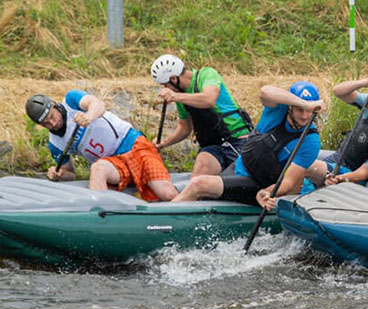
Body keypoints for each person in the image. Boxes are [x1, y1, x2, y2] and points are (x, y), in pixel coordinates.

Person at [172, 81, 325, 210]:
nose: (305, 116)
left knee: (199, 184)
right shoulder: (276, 111)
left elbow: (288, 182)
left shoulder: (310, 141)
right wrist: (307, 104)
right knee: (203, 196)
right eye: (300, 109)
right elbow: (266, 91)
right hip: (239, 168)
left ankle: (163, 218)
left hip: (259, 185)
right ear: (290, 106)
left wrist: (267, 192)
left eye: (309, 112)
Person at [25, 91, 177, 201]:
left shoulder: (71, 101)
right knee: (97, 168)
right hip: (114, 165)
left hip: (133, 145)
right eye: (45, 123)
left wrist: (88, 117)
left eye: (52, 117)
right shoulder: (55, 144)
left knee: (166, 194)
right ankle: (101, 219)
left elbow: (98, 104)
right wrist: (60, 175)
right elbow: (71, 174)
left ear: (55, 106)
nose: (52, 123)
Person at [150, 54, 254, 177]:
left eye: (165, 85)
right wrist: (164, 142)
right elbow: (184, 128)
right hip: (214, 146)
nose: (166, 88)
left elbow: (209, 99)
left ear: (174, 78)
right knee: (200, 172)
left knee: (232, 183)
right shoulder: (181, 96)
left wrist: (175, 97)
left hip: (238, 140)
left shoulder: (207, 74)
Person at [305, 75, 368, 187]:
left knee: (304, 166)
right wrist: (364, 83)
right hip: (336, 159)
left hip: (352, 174)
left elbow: (362, 174)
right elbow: (338, 91)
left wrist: (338, 179)